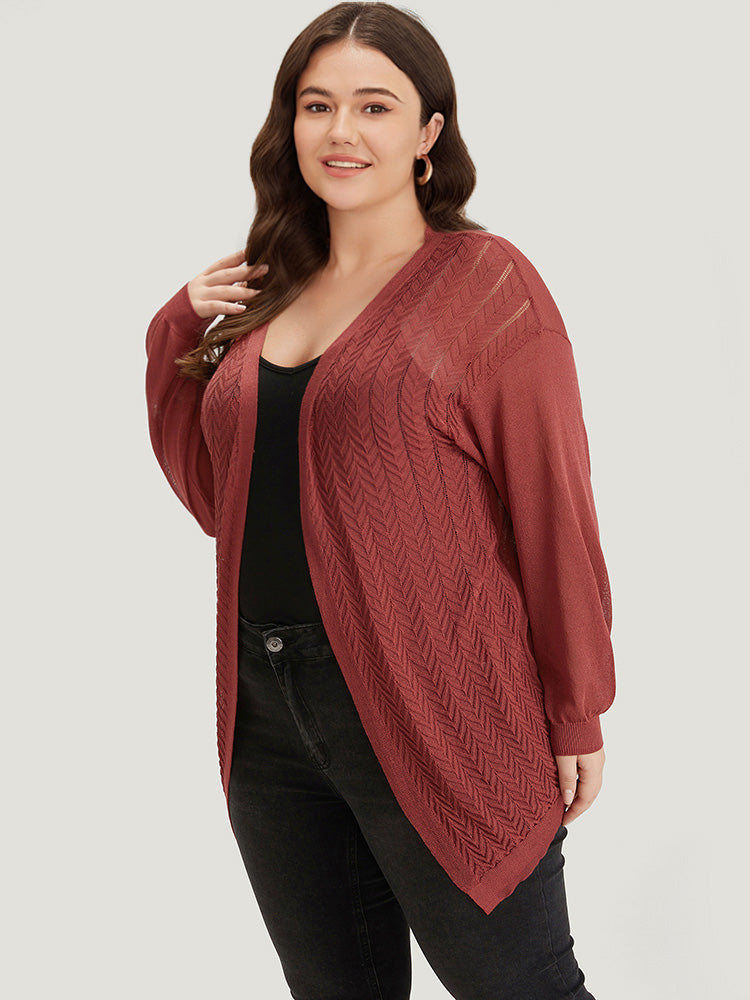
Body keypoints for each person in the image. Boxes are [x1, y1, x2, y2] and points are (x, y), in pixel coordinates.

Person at [144, 3, 616, 997]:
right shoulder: (270, 292)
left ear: (428, 131)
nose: (341, 131)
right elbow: (220, 501)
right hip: (266, 715)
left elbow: (554, 509)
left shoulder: (486, 284)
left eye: (374, 105)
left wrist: (577, 707)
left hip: (438, 695)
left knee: (523, 986)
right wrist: (175, 332)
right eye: (317, 105)